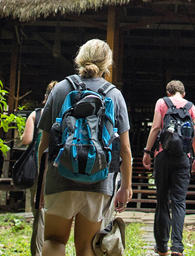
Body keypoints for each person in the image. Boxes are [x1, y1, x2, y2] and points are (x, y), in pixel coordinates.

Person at [36, 40, 133, 256]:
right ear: (107, 63)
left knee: (53, 240)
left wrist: (41, 182)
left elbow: (44, 143)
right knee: (87, 247)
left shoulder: (60, 88)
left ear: (80, 58)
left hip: (59, 177)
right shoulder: (114, 94)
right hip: (99, 181)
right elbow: (125, 149)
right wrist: (125, 186)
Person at [141, 80, 195, 256]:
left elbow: (155, 128)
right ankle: (177, 246)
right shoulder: (191, 106)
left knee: (162, 201)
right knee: (179, 202)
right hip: (183, 158)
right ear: (183, 94)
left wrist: (147, 151)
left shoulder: (162, 102)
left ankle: (161, 246)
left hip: (162, 156)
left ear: (168, 93)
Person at [21, 81, 57, 213]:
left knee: (37, 204)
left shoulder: (36, 115)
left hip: (38, 163)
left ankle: (39, 232)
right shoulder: (64, 115)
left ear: (45, 96)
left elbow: (27, 140)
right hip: (57, 164)